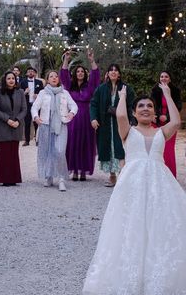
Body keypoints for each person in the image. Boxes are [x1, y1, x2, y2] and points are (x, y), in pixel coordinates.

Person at [83, 85, 186, 295]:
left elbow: (176, 122)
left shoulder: (161, 131)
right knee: (132, 225)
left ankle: (162, 276)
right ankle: (134, 277)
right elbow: (120, 114)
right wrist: (122, 96)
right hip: (133, 184)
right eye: (141, 106)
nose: (146, 109)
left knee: (163, 224)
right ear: (134, 112)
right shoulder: (128, 131)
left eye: (149, 105)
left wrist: (167, 95)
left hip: (161, 183)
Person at [31, 70, 78, 191]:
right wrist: (36, 117)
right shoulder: (42, 93)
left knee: (60, 151)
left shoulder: (64, 93)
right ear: (47, 79)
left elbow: (74, 106)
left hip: (61, 125)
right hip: (46, 125)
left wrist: (71, 113)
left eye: (56, 76)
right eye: (51, 76)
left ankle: (61, 178)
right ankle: (49, 175)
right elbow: (35, 107)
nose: (54, 78)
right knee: (48, 151)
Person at [90, 64, 135, 187]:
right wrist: (93, 118)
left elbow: (132, 105)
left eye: (116, 70)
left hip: (120, 123)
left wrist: (132, 121)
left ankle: (124, 176)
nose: (113, 72)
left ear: (119, 74)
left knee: (121, 147)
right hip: (105, 124)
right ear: (108, 74)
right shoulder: (101, 89)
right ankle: (112, 176)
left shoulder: (126, 88)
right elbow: (93, 104)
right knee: (108, 148)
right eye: (111, 70)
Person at [60, 49, 100, 181]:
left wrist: (91, 60)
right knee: (73, 143)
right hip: (73, 118)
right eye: (78, 71)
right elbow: (63, 75)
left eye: (82, 71)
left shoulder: (90, 86)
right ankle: (75, 170)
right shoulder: (70, 86)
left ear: (85, 74)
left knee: (86, 143)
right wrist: (66, 59)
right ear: (75, 74)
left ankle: (83, 170)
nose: (80, 73)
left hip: (86, 117)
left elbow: (96, 75)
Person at [0, 71, 27, 186]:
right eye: (9, 78)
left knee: (14, 153)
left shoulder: (20, 92)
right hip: (4, 126)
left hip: (16, 126)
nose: (11, 80)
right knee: (4, 154)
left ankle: (14, 178)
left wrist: (17, 120)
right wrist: (8, 119)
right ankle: (4, 178)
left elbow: (24, 109)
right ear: (5, 80)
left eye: (13, 78)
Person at [151, 71, 183, 177]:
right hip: (157, 123)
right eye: (161, 76)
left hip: (170, 122)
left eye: (166, 76)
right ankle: (157, 175)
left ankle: (170, 175)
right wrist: (158, 115)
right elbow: (152, 105)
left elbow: (178, 106)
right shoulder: (154, 90)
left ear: (170, 79)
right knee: (158, 148)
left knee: (169, 149)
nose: (163, 78)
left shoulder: (175, 91)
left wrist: (167, 117)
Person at [20, 67, 44, 146]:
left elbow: (43, 93)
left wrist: (38, 95)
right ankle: (27, 140)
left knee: (37, 123)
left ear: (35, 73)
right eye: (29, 71)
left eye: (32, 71)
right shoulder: (22, 82)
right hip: (27, 105)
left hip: (36, 105)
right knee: (27, 123)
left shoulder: (39, 82)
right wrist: (24, 92)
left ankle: (38, 140)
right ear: (26, 73)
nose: (30, 73)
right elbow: (18, 95)